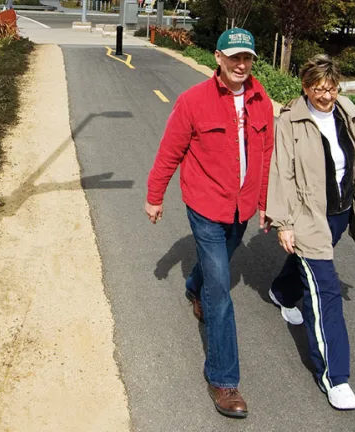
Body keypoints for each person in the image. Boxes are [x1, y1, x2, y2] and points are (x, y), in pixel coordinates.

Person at [145, 28, 276, 419]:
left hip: (243, 207)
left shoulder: (261, 99)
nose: (241, 64)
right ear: (217, 57)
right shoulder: (193, 102)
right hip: (204, 205)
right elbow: (170, 151)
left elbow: (267, 153)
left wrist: (266, 202)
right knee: (221, 289)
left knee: (215, 266)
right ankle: (223, 380)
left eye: (247, 58)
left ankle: (193, 287)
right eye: (234, 57)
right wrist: (155, 196)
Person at [266, 54, 355, 411]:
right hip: (308, 215)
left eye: (331, 88)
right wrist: (284, 222)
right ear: (305, 87)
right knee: (325, 291)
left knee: (310, 271)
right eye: (317, 89)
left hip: (340, 212)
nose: (325, 96)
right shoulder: (290, 122)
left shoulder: (348, 111)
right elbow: (282, 172)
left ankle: (281, 291)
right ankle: (335, 378)